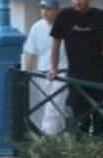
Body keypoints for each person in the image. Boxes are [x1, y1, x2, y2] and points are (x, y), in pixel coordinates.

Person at [49, 0, 103, 138]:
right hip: (76, 80)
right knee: (79, 125)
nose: (77, 2)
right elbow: (56, 43)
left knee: (101, 124)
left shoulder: (101, 16)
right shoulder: (64, 16)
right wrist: (53, 68)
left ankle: (101, 156)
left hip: (100, 79)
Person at [24, 0, 69, 135]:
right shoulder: (36, 27)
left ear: (57, 10)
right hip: (42, 73)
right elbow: (31, 52)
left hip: (63, 72)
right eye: (42, 8)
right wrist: (26, 73)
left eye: (48, 9)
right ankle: (62, 141)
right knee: (49, 109)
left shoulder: (66, 25)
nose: (44, 12)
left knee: (53, 108)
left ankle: (46, 139)